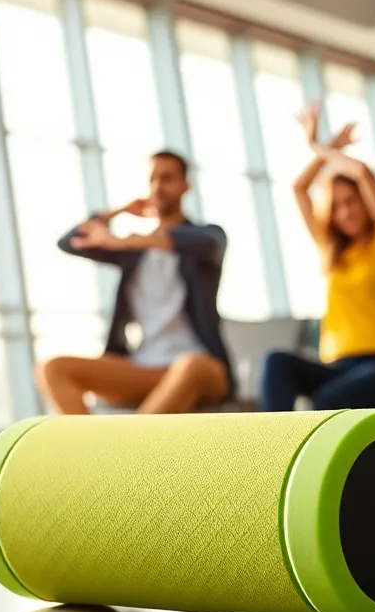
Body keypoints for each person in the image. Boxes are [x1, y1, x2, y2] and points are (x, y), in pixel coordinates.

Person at [36, 151, 234, 415]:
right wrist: (118, 212)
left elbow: (188, 241)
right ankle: (93, 453)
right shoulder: (134, 254)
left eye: (167, 178)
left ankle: (126, 451)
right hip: (145, 366)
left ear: (185, 187)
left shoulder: (208, 237)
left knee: (189, 365)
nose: (157, 186)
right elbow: (70, 241)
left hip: (202, 365)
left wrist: (122, 241)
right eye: (152, 179)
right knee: (53, 369)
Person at [258, 103, 375, 412]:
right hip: (339, 365)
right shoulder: (330, 249)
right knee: (276, 362)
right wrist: (327, 149)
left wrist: (315, 146)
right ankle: (274, 453)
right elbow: (299, 188)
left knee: (328, 400)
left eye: (353, 201)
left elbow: (361, 172)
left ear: (368, 203)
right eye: (338, 205)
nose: (346, 212)